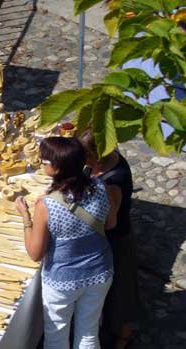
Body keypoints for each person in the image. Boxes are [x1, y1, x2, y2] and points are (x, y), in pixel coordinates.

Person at [15, 137, 118, 349]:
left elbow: (35, 253)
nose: (41, 164)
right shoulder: (100, 186)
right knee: (89, 333)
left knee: (56, 336)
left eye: (44, 161)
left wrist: (26, 217)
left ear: (57, 168)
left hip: (62, 279)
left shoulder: (47, 205)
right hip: (99, 272)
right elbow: (111, 223)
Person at [79, 128, 138, 349]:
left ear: (98, 157)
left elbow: (109, 222)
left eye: (86, 158)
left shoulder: (114, 182)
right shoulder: (106, 162)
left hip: (116, 239)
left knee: (121, 292)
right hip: (108, 237)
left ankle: (124, 339)